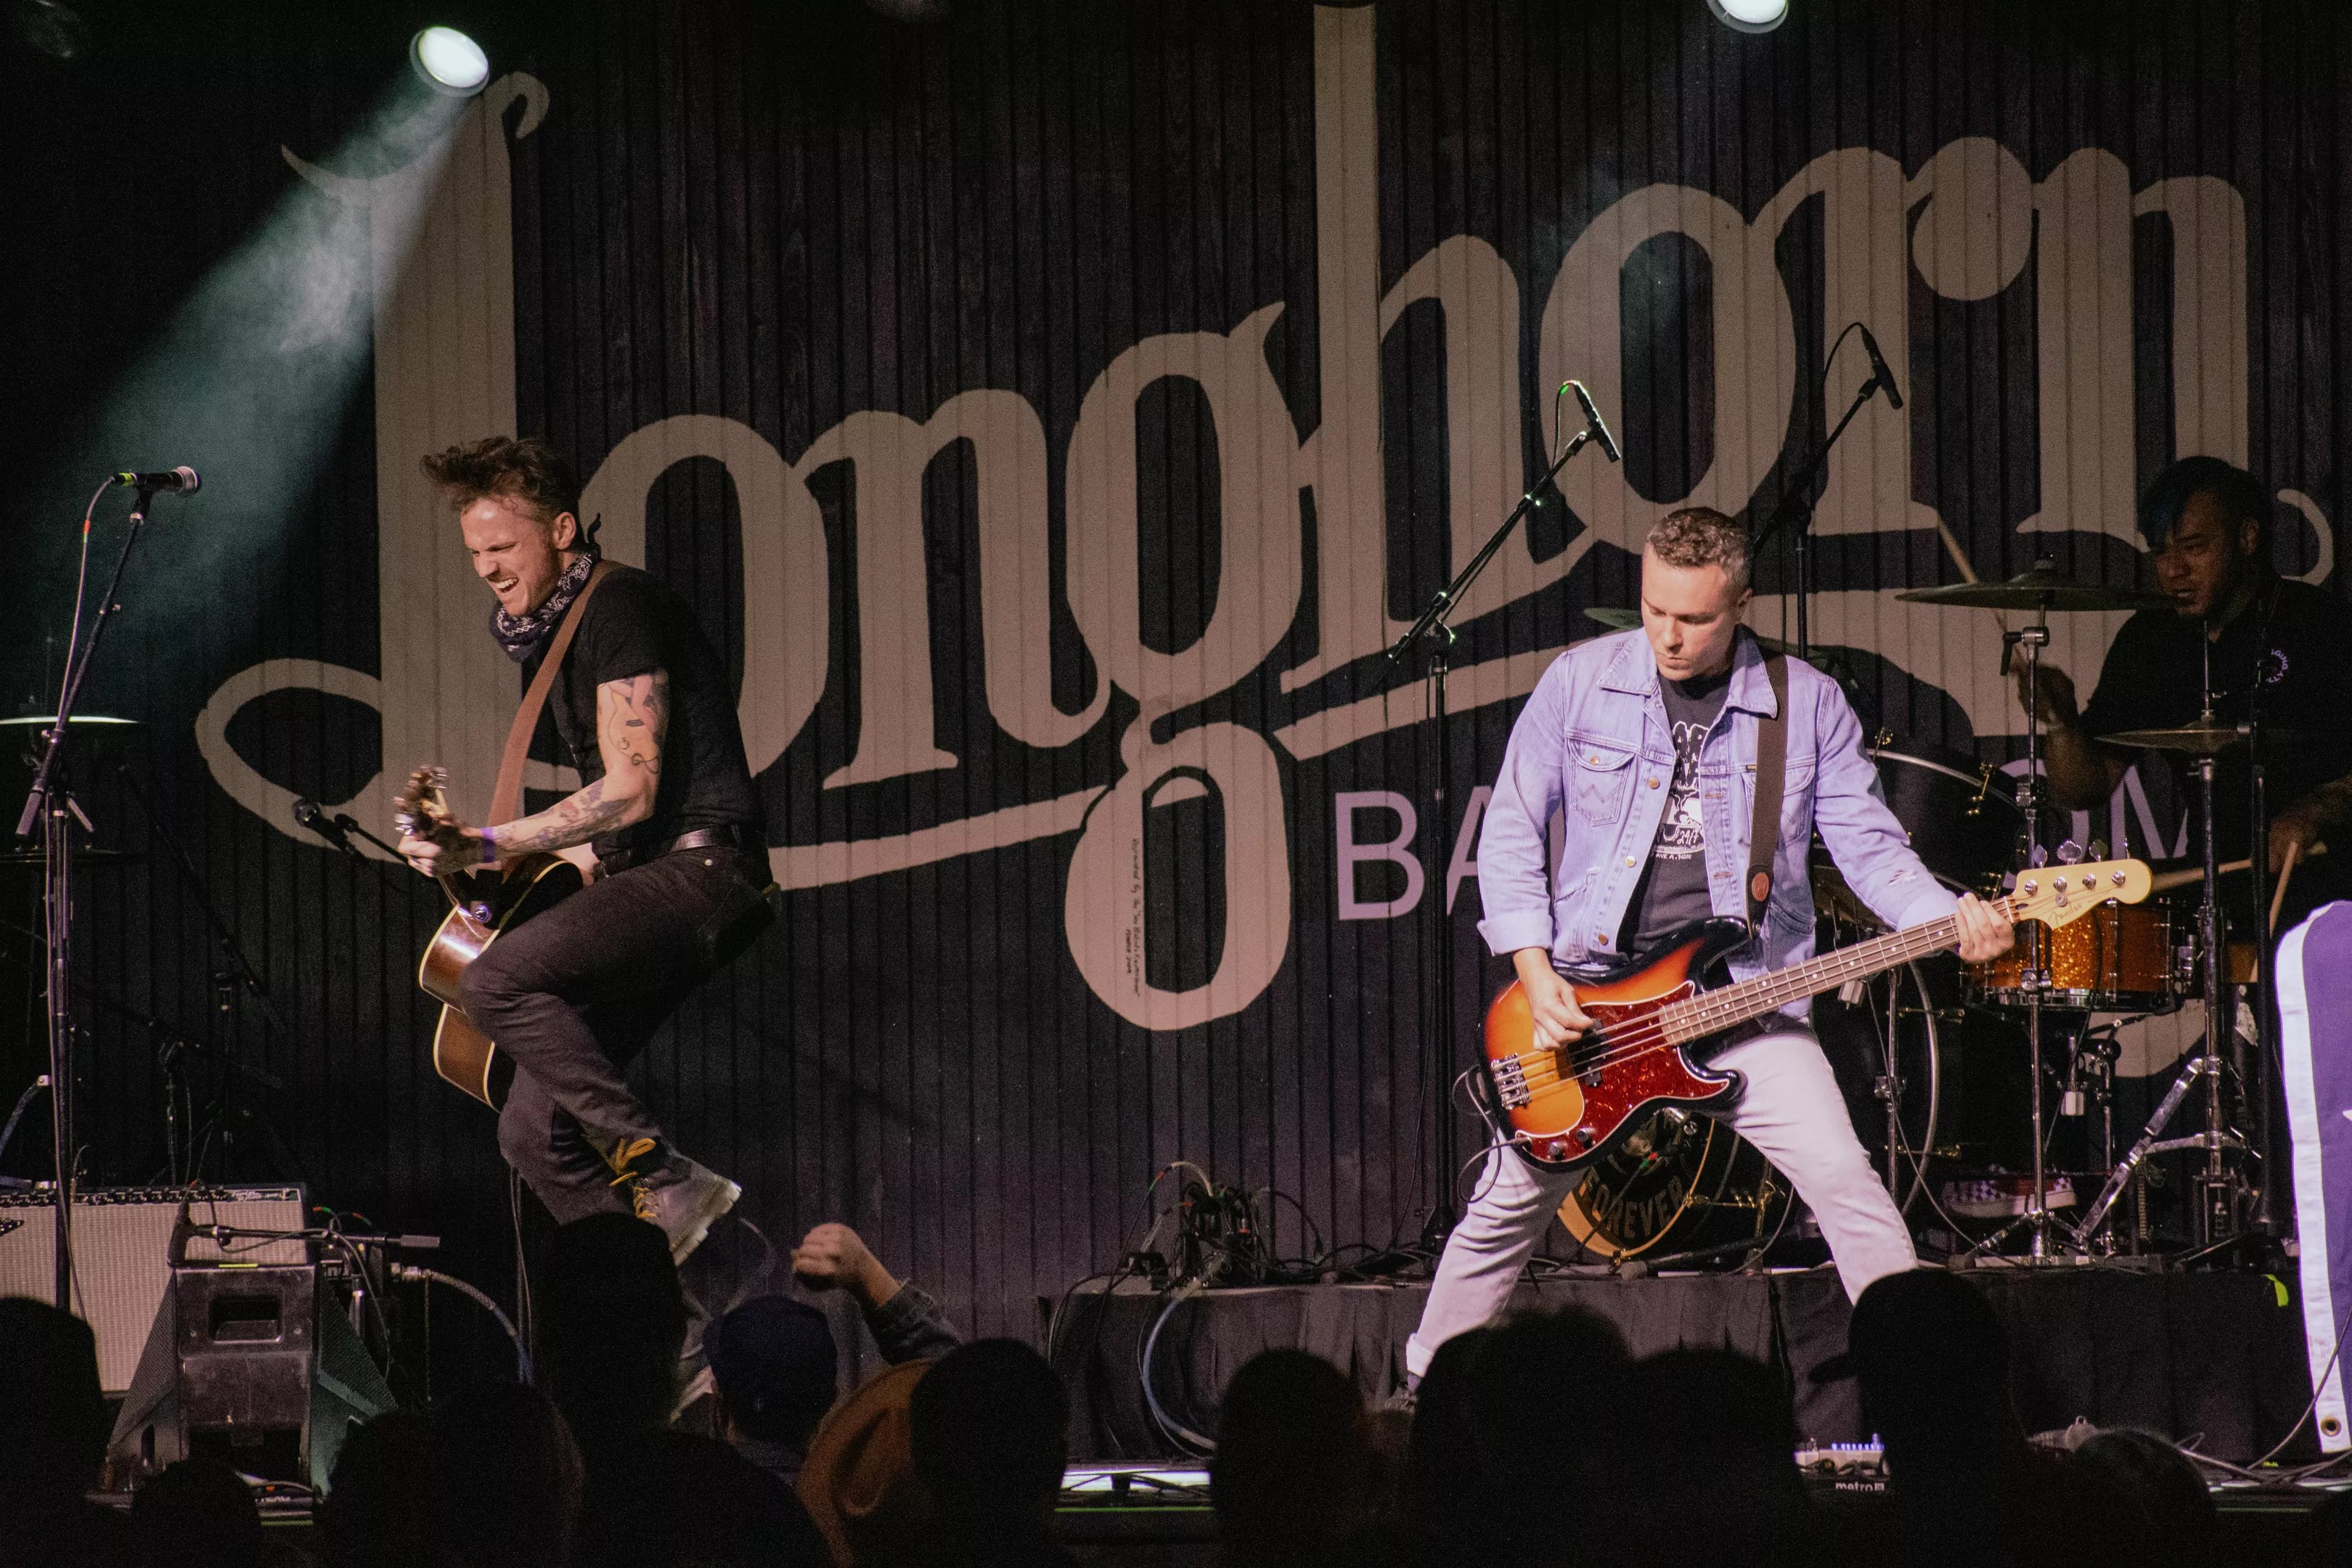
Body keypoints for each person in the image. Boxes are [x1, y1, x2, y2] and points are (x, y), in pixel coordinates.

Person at [1401, 507, 2014, 1384]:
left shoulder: (1806, 703)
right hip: (1594, 1006)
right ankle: (1425, 1389)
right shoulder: (1580, 682)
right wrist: (1535, 976)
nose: (1669, 636)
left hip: (1745, 1002)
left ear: (1742, 605)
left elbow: (1872, 853)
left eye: (1693, 618)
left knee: (1847, 1183)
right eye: (1655, 610)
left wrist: (1952, 918)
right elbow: (1508, 835)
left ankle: (1927, 1391)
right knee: (1504, 1211)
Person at [396, 435, 774, 1262]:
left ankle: (659, 1171)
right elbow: (609, 835)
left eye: (503, 547)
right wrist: (469, 859)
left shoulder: (618, 606)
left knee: (496, 981)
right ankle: (656, 1311)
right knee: (533, 1134)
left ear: (562, 530)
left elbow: (632, 791)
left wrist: (486, 838)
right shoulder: (563, 632)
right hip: (653, 870)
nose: (488, 569)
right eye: (475, 554)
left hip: (705, 872)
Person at [2017, 455, 2352, 931]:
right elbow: (2083, 788)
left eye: (2194, 548)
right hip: (2216, 893)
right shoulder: (2150, 640)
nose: (2174, 570)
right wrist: (2060, 723)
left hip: (2331, 894)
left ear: (2247, 538)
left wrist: (2315, 809)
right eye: (2160, 552)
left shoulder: (2321, 625)